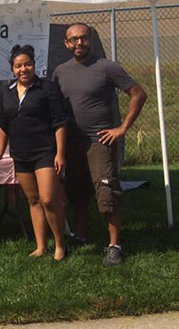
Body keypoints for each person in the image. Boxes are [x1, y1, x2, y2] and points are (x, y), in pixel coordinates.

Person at [53, 22, 147, 266]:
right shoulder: (60, 72)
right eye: (73, 40)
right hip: (72, 144)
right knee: (78, 192)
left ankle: (115, 246)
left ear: (90, 39)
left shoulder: (107, 67)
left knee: (107, 194)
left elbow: (138, 94)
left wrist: (122, 128)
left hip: (100, 142)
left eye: (83, 38)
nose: (79, 43)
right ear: (66, 43)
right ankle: (81, 236)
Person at [0, 45, 69, 261]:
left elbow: (60, 121)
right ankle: (41, 246)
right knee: (33, 200)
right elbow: (4, 123)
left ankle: (60, 244)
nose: (23, 69)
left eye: (27, 64)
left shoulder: (47, 88)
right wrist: (0, 151)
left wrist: (60, 153)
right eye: (18, 66)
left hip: (45, 151)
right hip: (20, 154)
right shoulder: (7, 92)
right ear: (12, 69)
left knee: (49, 199)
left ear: (34, 66)